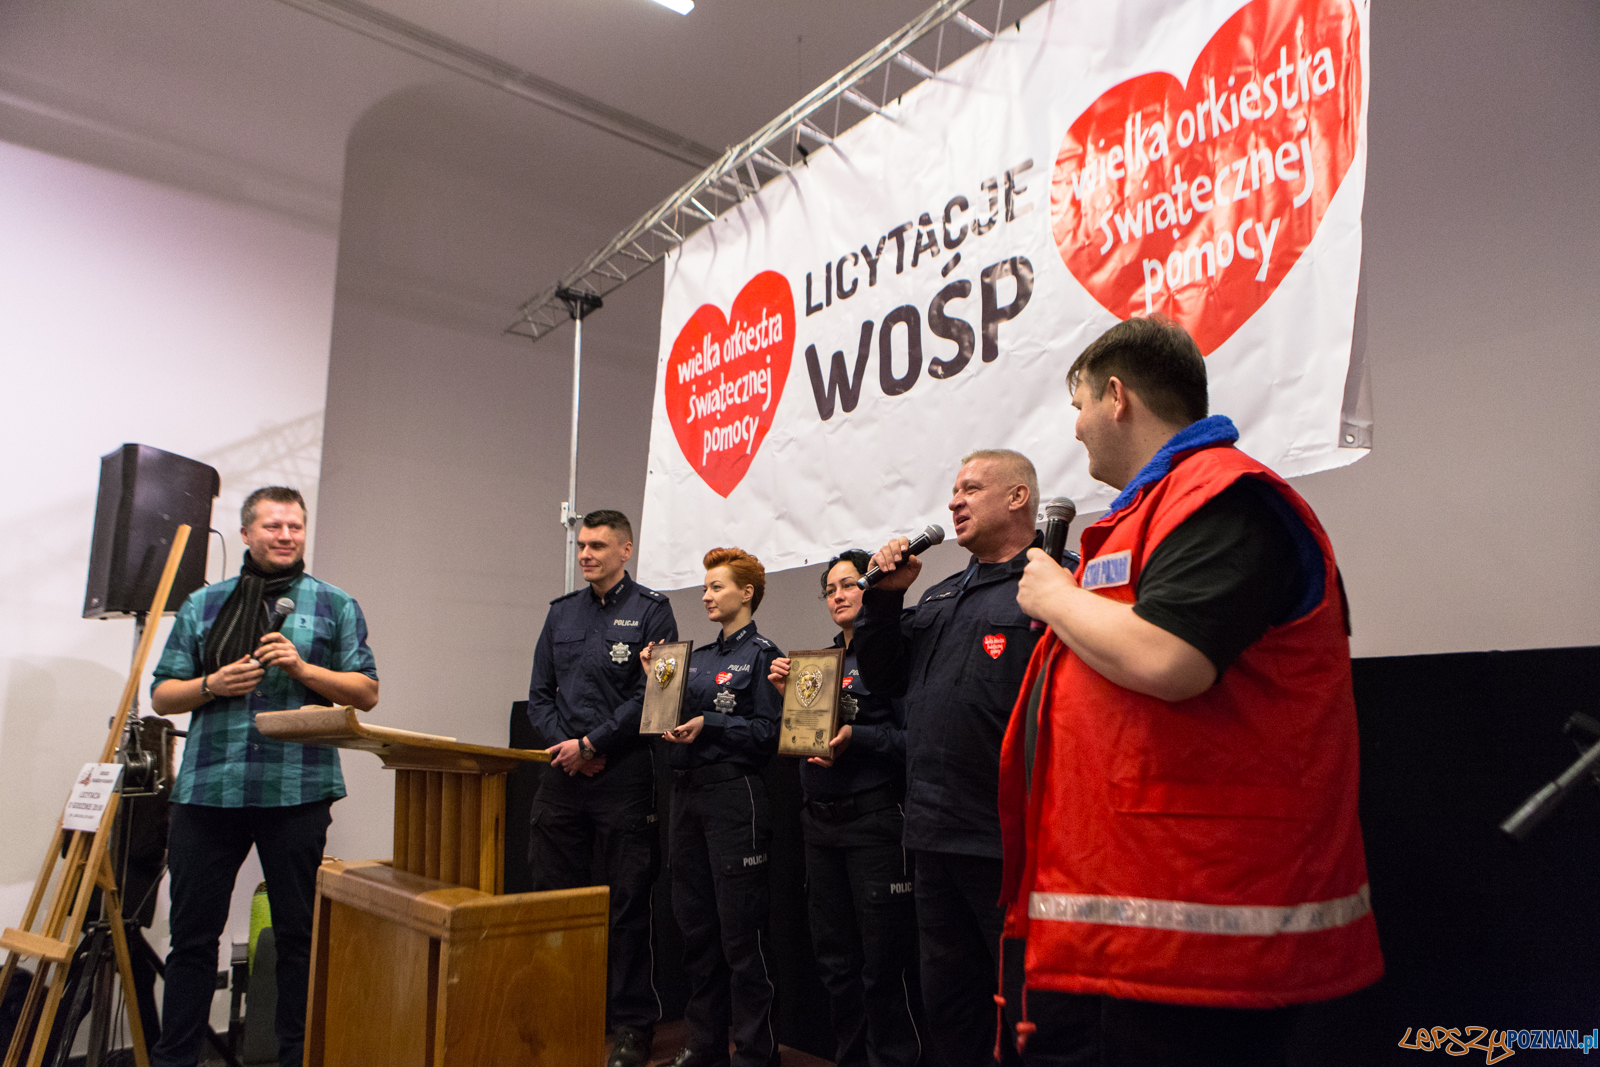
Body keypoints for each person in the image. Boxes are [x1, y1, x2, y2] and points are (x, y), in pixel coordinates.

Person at [998, 316, 1383, 1066]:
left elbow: (1171, 659)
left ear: (1116, 397)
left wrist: (1055, 596)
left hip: (1204, 930)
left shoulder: (1221, 497)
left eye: (1078, 405)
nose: (1075, 429)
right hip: (1146, 917)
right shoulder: (1150, 513)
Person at [149, 487, 379, 1067]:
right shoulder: (203, 604)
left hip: (297, 789)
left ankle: (294, 1058)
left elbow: (366, 692)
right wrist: (212, 685)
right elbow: (162, 694)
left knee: (299, 937)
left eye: (295, 526)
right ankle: (176, 1059)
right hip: (208, 790)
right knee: (192, 939)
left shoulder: (334, 604)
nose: (286, 536)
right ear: (246, 533)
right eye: (273, 526)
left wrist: (303, 669)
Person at [855, 450, 1044, 1067]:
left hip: (1008, 841)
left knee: (1024, 1009)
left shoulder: (1051, 582)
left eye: (971, 488)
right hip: (933, 833)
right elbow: (884, 678)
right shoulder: (939, 594)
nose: (954, 501)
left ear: (1017, 497)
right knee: (950, 1004)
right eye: (954, 490)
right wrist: (885, 601)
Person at [526, 509, 678, 1067]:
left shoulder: (653, 611)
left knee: (628, 905)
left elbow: (655, 695)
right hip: (563, 777)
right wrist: (568, 748)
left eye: (597, 546)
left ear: (625, 550)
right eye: (582, 545)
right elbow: (539, 695)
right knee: (555, 900)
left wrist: (592, 745)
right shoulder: (561, 613)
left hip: (623, 776)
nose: (586, 554)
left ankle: (632, 1026)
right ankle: (562, 1011)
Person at [769, 550, 923, 1067]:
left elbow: (915, 740)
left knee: (884, 964)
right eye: (830, 588)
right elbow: (805, 737)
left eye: (850, 584)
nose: (838, 595)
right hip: (820, 824)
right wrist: (789, 699)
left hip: (875, 822)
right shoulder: (818, 665)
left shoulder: (894, 655)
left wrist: (857, 738)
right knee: (836, 965)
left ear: (872, 588)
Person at [645, 548, 783, 1067]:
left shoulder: (765, 655)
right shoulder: (696, 658)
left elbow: (769, 734)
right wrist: (656, 677)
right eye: (705, 587)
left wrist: (713, 723)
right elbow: (667, 716)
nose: (706, 595)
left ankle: (754, 1053)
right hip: (686, 796)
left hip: (733, 797)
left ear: (746, 594)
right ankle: (704, 1046)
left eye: (716, 587)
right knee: (697, 931)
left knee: (742, 935)